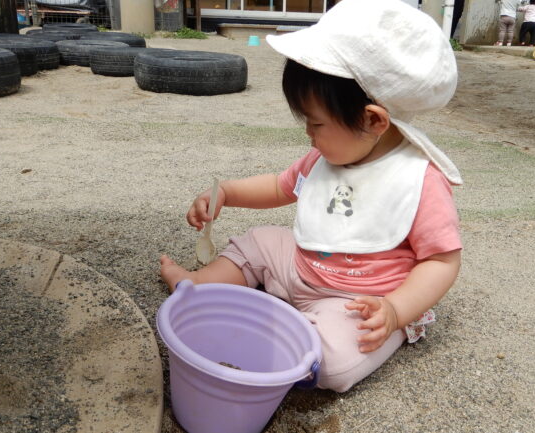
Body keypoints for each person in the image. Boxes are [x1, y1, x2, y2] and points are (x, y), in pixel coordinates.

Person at [158, 0, 463, 393]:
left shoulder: (418, 180)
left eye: (316, 123)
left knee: (334, 362)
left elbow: (441, 260)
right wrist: (227, 193)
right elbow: (279, 186)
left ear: (373, 120)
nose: (308, 134)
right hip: (303, 266)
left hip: (360, 298)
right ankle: (197, 285)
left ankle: (292, 344)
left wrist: (396, 309)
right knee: (260, 242)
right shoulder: (324, 156)